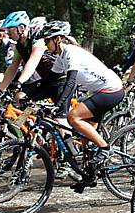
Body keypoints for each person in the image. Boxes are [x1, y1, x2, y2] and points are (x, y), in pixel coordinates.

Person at [38, 21, 125, 190]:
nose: (44, 43)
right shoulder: (60, 58)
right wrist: (27, 96)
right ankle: (90, 176)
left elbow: (70, 82)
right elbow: (48, 83)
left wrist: (60, 105)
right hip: (101, 91)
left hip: (111, 90)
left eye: (47, 40)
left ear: (57, 39)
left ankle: (105, 148)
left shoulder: (71, 53)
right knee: (84, 139)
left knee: (73, 117)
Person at [0, 11, 61, 102]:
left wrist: (19, 82)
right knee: (20, 98)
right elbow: (13, 67)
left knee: (61, 113)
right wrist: (0, 89)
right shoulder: (20, 45)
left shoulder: (37, 37)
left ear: (21, 28)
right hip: (46, 80)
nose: (8, 33)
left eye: (10, 30)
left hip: (59, 79)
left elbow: (33, 61)